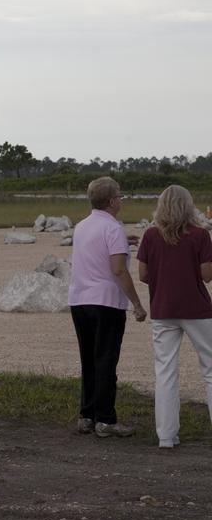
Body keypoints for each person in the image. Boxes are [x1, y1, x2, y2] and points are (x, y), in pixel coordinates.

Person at [69, 177, 147, 438]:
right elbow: (118, 270)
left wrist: (123, 241)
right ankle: (106, 420)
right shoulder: (113, 229)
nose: (121, 200)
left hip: (79, 300)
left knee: (88, 360)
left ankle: (86, 416)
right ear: (113, 201)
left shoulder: (81, 226)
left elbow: (97, 249)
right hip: (106, 303)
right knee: (106, 360)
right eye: (120, 196)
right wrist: (136, 303)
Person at [136, 185, 212, 448]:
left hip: (163, 309)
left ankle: (166, 436)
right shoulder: (200, 235)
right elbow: (206, 275)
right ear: (188, 206)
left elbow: (143, 275)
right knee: (211, 370)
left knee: (166, 371)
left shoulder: (150, 236)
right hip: (198, 309)